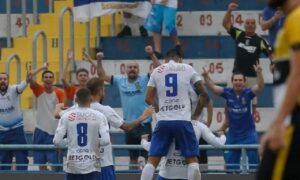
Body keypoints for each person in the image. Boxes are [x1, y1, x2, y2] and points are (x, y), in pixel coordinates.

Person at [55, 77, 153, 180]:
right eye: (104, 90)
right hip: (103, 162)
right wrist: (143, 117)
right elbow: (127, 127)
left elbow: (57, 114)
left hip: (80, 162)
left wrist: (58, 106)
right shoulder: (105, 110)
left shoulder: (75, 109)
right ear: (100, 91)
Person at [140, 49, 208, 180]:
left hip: (164, 121)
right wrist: (196, 115)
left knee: (152, 161)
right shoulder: (188, 68)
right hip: (183, 120)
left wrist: (160, 112)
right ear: (180, 59)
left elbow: (148, 98)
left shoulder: (157, 70)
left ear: (165, 60)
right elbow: (204, 93)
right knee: (192, 161)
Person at [257, 0, 300, 179]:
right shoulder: (290, 19)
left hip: (293, 121)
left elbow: (298, 74)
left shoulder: (297, 18)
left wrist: (278, 124)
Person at [98, 50, 160, 170]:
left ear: (138, 69)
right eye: (130, 67)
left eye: (135, 67)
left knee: (149, 158)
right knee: (132, 158)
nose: (132, 69)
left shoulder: (145, 79)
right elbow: (101, 76)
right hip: (129, 125)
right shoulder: (119, 80)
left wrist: (152, 54)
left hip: (144, 125)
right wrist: (99, 60)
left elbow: (159, 70)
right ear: (125, 69)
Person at [202, 61, 264, 171]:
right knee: (231, 169)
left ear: (244, 82)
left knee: (255, 167)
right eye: (235, 80)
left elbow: (259, 86)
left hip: (249, 135)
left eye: (240, 80)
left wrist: (259, 73)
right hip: (233, 136)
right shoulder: (228, 93)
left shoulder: (249, 93)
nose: (238, 82)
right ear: (232, 82)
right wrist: (206, 76)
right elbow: (213, 88)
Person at [222, 2, 272, 120]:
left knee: (252, 105)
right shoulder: (239, 34)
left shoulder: (260, 41)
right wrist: (229, 11)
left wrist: (273, 63)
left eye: (252, 23)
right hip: (237, 75)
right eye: (248, 23)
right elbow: (225, 24)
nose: (250, 25)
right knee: (228, 102)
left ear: (256, 26)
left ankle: (250, 126)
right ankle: (226, 124)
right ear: (244, 25)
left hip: (252, 78)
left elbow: (271, 53)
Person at [53, 87, 110, 180]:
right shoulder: (100, 116)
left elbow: (56, 141)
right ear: (91, 99)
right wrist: (94, 141)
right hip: (92, 163)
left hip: (72, 164)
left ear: (76, 100)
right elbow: (106, 141)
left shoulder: (66, 116)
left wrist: (69, 141)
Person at [141, 120, 226, 180]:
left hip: (166, 175)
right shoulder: (199, 126)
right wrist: (223, 136)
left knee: (150, 165)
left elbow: (151, 147)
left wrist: (143, 141)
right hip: (188, 175)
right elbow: (218, 144)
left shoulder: (163, 124)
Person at [29, 64, 65, 171]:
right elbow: (29, 77)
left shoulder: (60, 92)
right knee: (41, 164)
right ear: (42, 79)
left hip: (55, 132)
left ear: (54, 79)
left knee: (55, 165)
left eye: (50, 77)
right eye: (46, 77)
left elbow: (62, 113)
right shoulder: (38, 89)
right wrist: (41, 67)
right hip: (40, 130)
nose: (48, 79)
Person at [0, 68, 35, 170]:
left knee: (22, 159)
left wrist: (28, 80)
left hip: (17, 130)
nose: (2, 81)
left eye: (5, 79)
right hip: (2, 132)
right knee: (4, 162)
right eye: (0, 79)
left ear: (8, 81)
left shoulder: (14, 89)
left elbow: (22, 85)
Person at [189, 86, 214, 169]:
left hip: (198, 128)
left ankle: (204, 175)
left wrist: (209, 123)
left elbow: (209, 102)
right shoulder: (178, 85)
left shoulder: (195, 85)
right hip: (184, 128)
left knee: (202, 157)